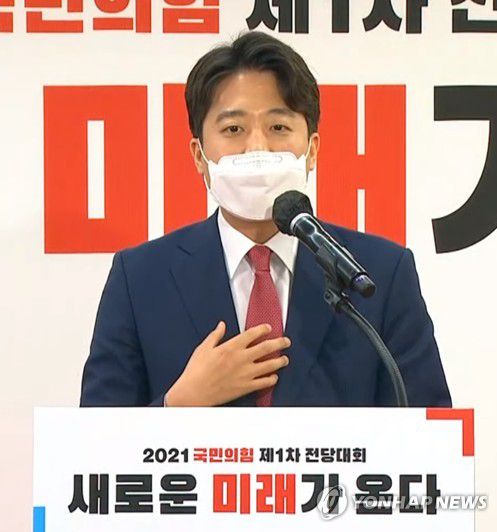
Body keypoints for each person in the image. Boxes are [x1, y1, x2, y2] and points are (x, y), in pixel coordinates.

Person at [80, 31, 451, 408]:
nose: (257, 147)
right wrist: (179, 404)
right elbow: (93, 435)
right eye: (233, 129)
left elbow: (431, 428)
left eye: (278, 127)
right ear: (198, 156)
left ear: (312, 150)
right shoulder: (140, 277)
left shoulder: (379, 274)